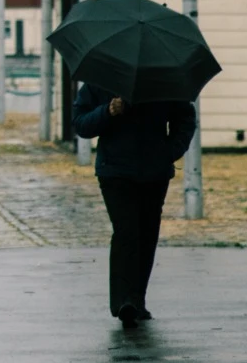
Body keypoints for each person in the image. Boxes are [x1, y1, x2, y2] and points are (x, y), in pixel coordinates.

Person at [71, 82, 197, 327]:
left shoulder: (163, 81)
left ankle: (138, 300)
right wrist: (108, 111)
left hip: (155, 172)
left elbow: (185, 119)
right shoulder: (100, 80)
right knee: (126, 231)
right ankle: (123, 302)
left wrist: (169, 151)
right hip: (115, 171)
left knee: (147, 234)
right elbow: (81, 124)